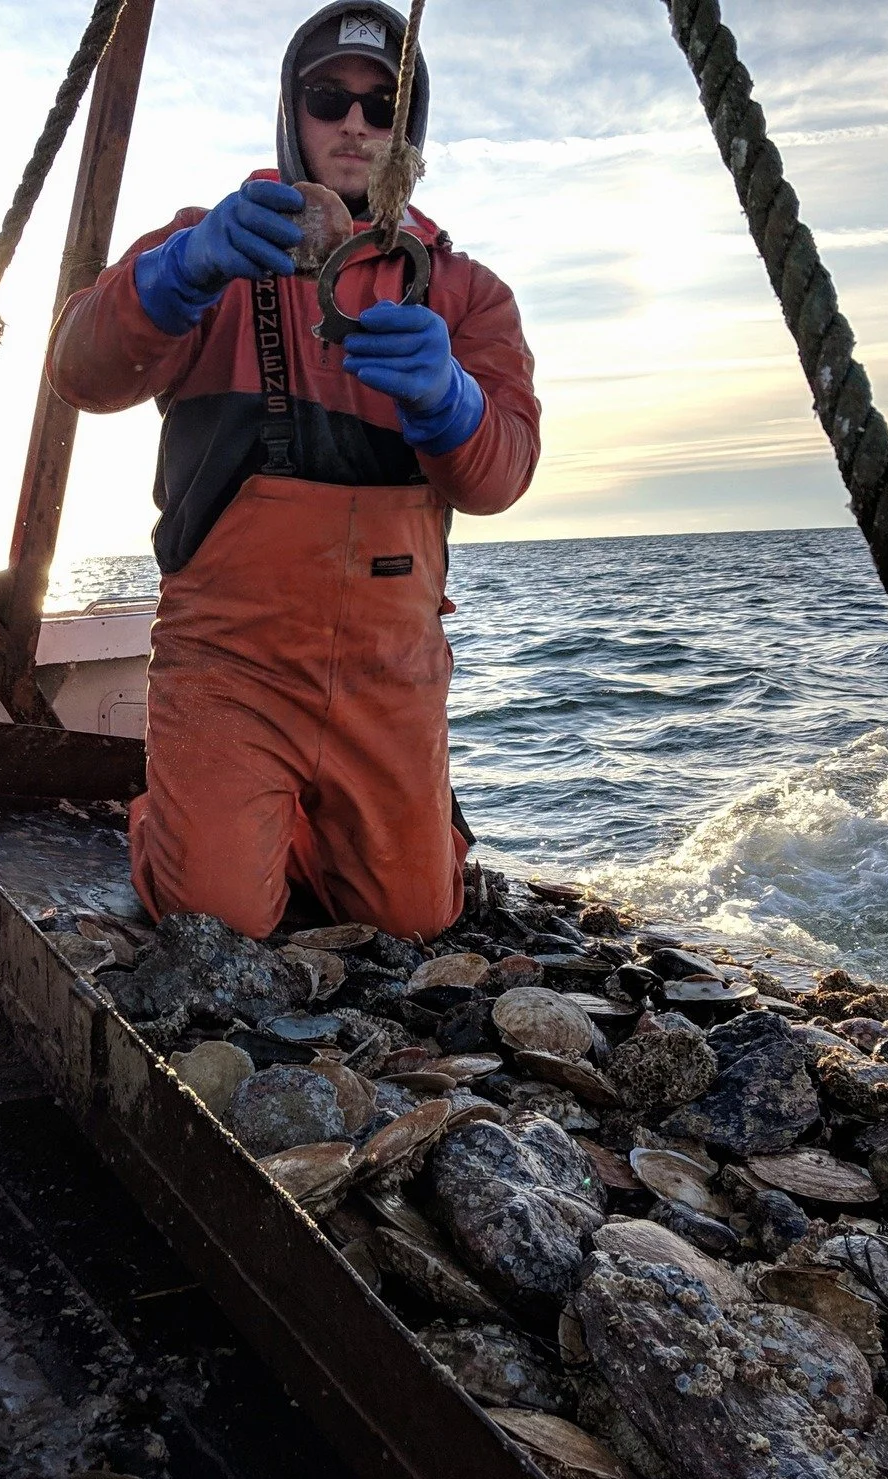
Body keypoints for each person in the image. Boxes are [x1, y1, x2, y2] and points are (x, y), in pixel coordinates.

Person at [48, 0, 541, 942]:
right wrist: (177, 274)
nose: (354, 124)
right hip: (231, 657)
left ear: (409, 133)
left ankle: (337, 828)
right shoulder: (209, 240)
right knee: (217, 919)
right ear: (293, 114)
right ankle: (186, 813)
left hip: (391, 667)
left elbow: (501, 474)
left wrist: (452, 400)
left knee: (414, 923)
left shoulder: (469, 294)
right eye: (327, 98)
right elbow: (80, 368)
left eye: (381, 106)